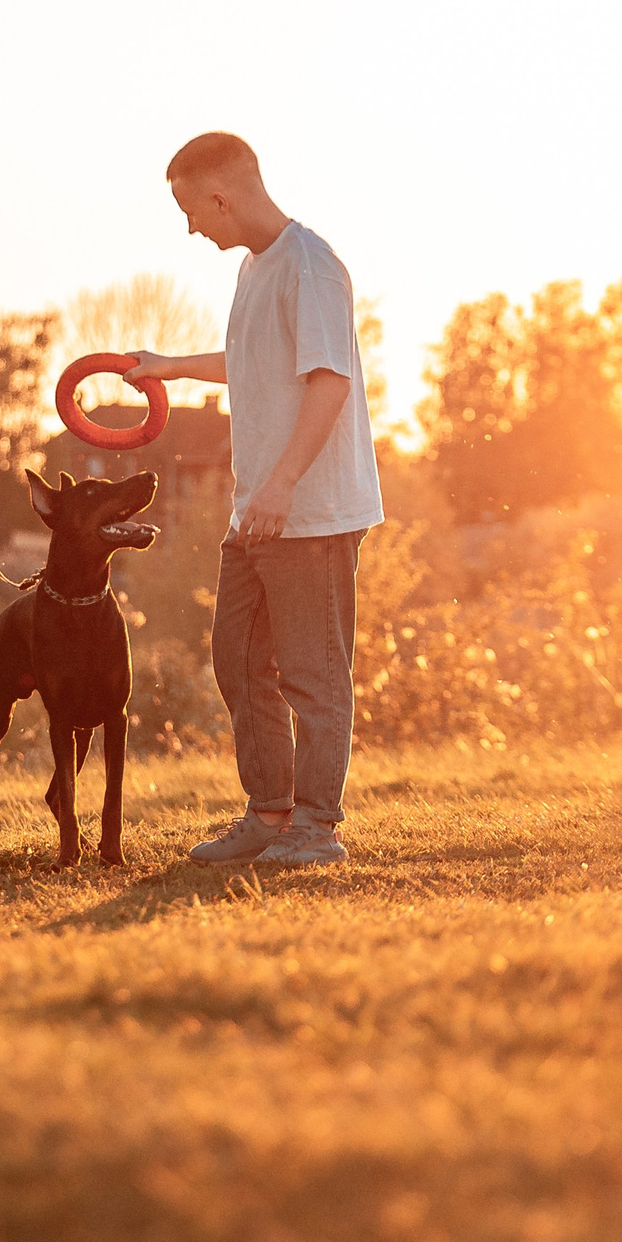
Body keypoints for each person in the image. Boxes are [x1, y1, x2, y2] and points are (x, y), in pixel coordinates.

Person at [126, 133, 384, 868]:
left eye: (190, 211)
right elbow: (251, 361)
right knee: (237, 657)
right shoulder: (254, 268)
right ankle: (270, 812)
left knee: (313, 673)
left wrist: (282, 483)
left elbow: (329, 382)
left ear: (220, 197)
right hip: (258, 511)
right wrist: (171, 367)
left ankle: (317, 827)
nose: (190, 229)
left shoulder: (311, 265)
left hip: (310, 511)